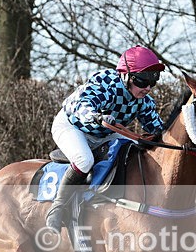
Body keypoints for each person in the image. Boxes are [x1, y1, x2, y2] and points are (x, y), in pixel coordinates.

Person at [45, 45, 166, 234]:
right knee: (85, 160)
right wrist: (96, 116)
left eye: (153, 81)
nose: (148, 88)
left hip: (103, 133)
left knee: (134, 149)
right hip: (73, 126)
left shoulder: (143, 101)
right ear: (126, 76)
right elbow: (81, 105)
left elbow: (159, 131)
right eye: (142, 81)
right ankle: (57, 208)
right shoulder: (106, 82)